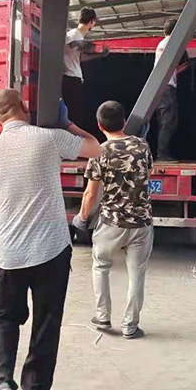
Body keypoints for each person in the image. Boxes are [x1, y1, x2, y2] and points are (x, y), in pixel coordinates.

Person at [0, 89, 101, 390]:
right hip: (50, 249)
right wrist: (68, 125)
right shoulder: (49, 138)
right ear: (24, 107)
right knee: (47, 322)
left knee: (3, 317)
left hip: (9, 251)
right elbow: (96, 149)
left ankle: (0, 381)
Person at [73, 101, 154, 340]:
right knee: (137, 274)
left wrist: (82, 218)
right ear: (124, 121)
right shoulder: (142, 145)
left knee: (101, 266)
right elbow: (147, 173)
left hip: (111, 222)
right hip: (141, 223)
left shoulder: (99, 152)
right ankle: (130, 325)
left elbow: (90, 193)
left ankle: (102, 316)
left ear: (99, 125)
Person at [154, 18, 189, 161]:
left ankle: (161, 152)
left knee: (164, 120)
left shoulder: (163, 44)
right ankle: (162, 153)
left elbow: (171, 67)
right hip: (167, 86)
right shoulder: (170, 44)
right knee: (169, 121)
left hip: (162, 86)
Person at [62, 7, 97, 126]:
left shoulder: (79, 36)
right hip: (70, 79)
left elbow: (80, 58)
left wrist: (100, 55)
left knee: (77, 114)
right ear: (92, 21)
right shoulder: (73, 34)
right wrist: (83, 44)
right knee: (73, 116)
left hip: (75, 79)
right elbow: (67, 45)